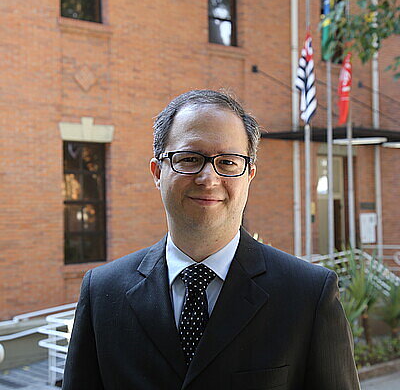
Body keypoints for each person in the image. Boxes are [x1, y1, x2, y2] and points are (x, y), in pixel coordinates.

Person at [62, 90, 360, 390]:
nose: (208, 178)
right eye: (190, 159)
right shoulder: (102, 293)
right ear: (157, 172)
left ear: (249, 175)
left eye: (228, 162)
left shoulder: (308, 296)